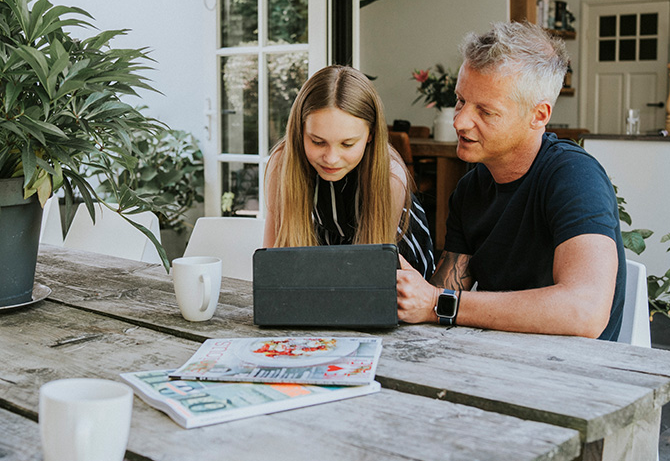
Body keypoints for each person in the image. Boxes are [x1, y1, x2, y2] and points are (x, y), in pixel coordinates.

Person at [396, 22, 626, 340]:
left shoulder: (575, 177)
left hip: (571, 376)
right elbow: (443, 293)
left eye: (486, 112)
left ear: (539, 115)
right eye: (460, 100)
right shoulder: (471, 186)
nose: (460, 121)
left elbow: (584, 311)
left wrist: (438, 303)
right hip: (495, 358)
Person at [264, 65, 435, 278]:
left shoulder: (391, 177)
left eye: (347, 144)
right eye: (317, 142)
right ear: (300, 131)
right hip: (331, 264)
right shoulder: (282, 164)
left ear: (371, 135)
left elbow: (367, 280)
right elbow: (273, 262)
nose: (331, 158)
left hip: (393, 275)